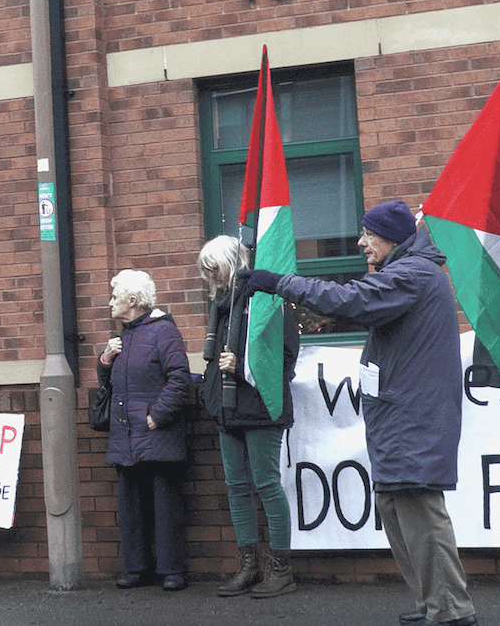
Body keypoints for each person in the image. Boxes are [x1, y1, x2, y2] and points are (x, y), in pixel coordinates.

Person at [241, 200, 478, 626]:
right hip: (401, 419)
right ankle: (432, 605)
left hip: (412, 419)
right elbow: (357, 305)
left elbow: (351, 301)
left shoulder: (412, 274)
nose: (360, 243)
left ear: (391, 237)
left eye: (368, 235)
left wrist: (281, 283)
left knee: (421, 518)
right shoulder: (407, 274)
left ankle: (452, 613)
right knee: (396, 510)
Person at [198, 236, 299, 598]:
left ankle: (280, 569)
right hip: (228, 408)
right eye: (205, 268)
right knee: (237, 487)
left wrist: (241, 368)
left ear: (230, 263)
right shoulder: (222, 304)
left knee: (267, 484)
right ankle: (250, 565)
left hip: (261, 408)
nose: (208, 275)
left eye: (213, 267)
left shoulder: (268, 298)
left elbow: (286, 361)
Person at [97, 268, 191, 592]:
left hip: (155, 433)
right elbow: (109, 384)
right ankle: (137, 568)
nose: (110, 303)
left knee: (166, 505)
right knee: (131, 506)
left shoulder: (163, 331)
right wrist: (105, 360)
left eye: (115, 297)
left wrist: (156, 417)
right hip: (126, 436)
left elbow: (180, 379)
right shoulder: (122, 336)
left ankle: (172, 570)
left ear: (133, 301)